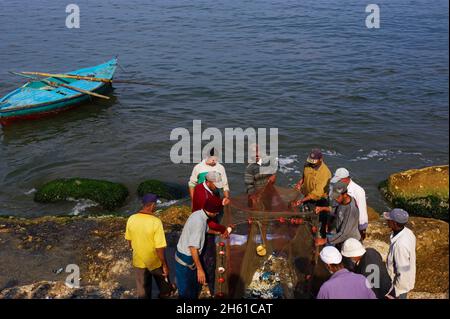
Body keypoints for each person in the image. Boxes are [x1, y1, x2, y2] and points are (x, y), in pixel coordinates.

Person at [125, 193, 175, 299]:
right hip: (155, 261)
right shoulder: (156, 222)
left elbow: (129, 242)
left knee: (143, 293)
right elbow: (159, 248)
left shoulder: (131, 218)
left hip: (138, 261)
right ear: (152, 205)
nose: (155, 206)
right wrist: (165, 265)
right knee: (165, 290)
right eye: (155, 204)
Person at [192, 171, 231, 296]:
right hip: (203, 226)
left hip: (200, 219)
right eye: (216, 185)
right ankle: (207, 281)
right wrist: (223, 229)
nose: (217, 187)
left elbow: (209, 205)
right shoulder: (205, 196)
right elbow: (209, 222)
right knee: (207, 256)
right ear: (209, 182)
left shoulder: (199, 187)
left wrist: (220, 203)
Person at [175, 199, 223, 299]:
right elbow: (193, 248)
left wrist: (218, 232)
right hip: (186, 259)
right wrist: (200, 269)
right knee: (186, 291)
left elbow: (206, 229)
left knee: (192, 287)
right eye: (217, 212)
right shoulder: (199, 222)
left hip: (184, 255)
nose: (217, 214)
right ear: (212, 212)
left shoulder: (198, 214)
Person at [293, 149, 331, 237]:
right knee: (306, 220)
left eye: (314, 162)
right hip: (306, 197)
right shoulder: (307, 164)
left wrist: (302, 200)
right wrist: (300, 183)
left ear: (321, 159)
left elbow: (316, 194)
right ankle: (307, 235)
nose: (312, 164)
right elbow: (304, 176)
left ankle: (319, 241)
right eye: (311, 161)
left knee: (318, 225)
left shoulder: (325, 173)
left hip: (319, 201)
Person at [315, 180, 361, 248]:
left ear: (345, 194)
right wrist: (323, 208)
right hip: (341, 239)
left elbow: (344, 234)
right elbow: (337, 210)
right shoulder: (343, 201)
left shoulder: (351, 210)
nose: (336, 199)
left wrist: (325, 240)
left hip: (350, 243)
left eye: (337, 197)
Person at [384, 208, 416, 299]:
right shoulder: (408, 232)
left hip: (399, 289)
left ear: (394, 223)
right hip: (403, 284)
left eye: (389, 219)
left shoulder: (400, 245)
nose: (387, 220)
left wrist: (395, 292)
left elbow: (403, 271)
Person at [330, 168, 369, 240]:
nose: (336, 183)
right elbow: (335, 206)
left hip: (353, 227)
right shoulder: (338, 188)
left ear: (345, 179)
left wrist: (362, 229)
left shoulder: (358, 191)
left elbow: (362, 211)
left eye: (338, 180)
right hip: (340, 223)